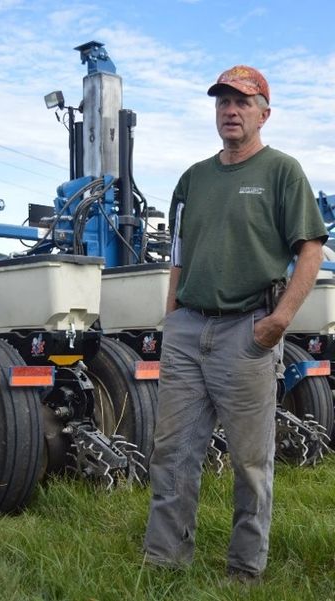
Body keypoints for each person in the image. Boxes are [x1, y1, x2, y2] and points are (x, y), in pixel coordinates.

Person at [143, 65, 328, 583]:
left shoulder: (281, 171)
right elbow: (179, 254)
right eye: (223, 101)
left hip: (246, 334)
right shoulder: (193, 180)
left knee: (250, 461)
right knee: (173, 451)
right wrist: (171, 318)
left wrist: (278, 322)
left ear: (264, 113)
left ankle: (244, 571)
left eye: (242, 102)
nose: (230, 110)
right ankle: (164, 561)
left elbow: (311, 249)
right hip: (187, 331)